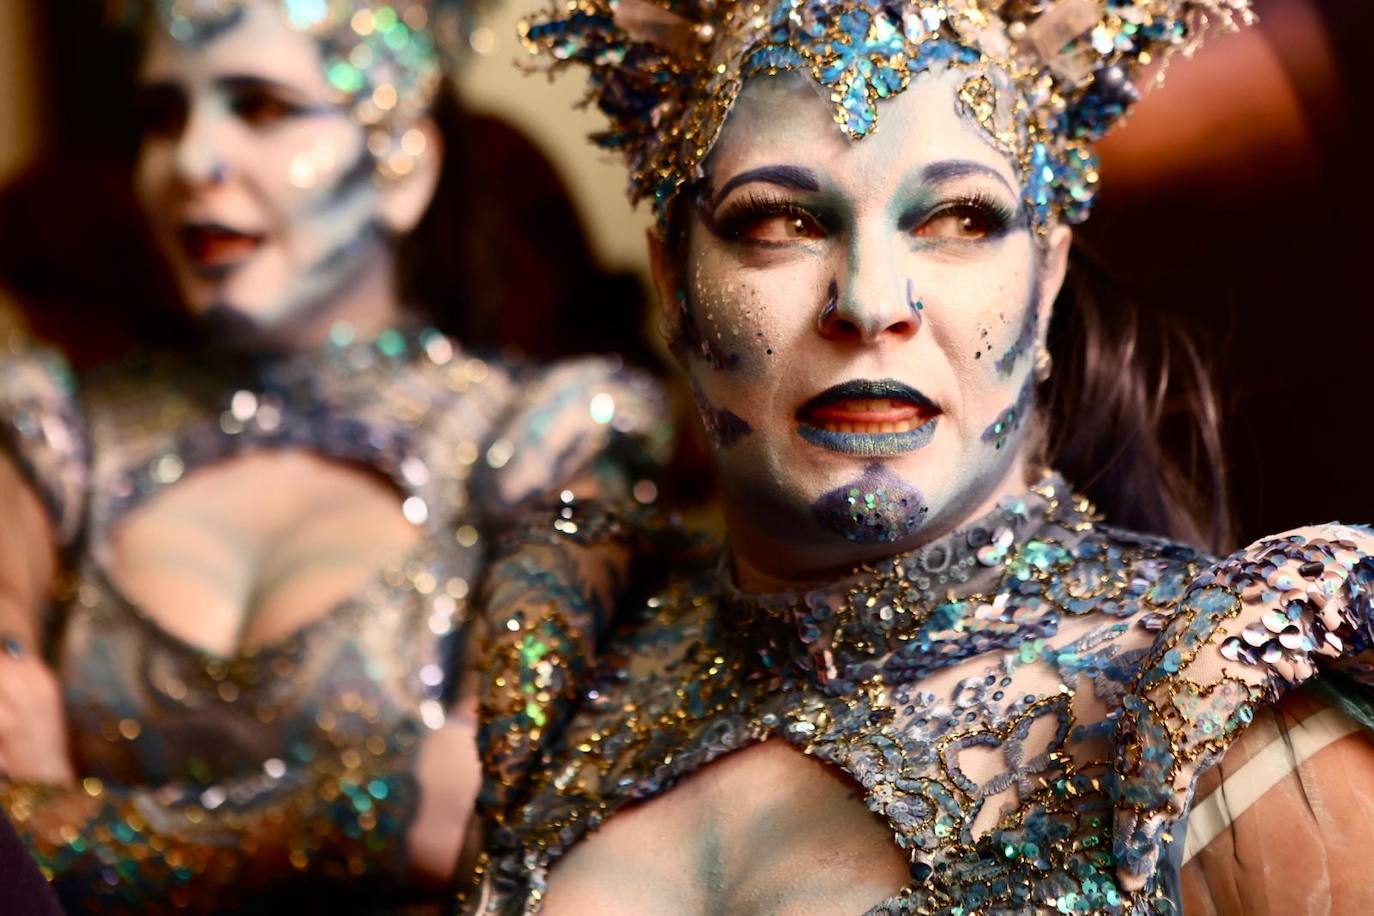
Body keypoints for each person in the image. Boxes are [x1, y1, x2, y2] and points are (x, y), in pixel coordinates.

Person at [458, 0, 1374, 911]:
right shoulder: (574, 667)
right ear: (675, 282)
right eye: (780, 220)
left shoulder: (1220, 718)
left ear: (1045, 279)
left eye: (959, 219)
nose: (869, 302)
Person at [0, 0, 667, 910]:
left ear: (404, 162)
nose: (193, 162)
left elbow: (489, 821)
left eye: (263, 107)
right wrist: (370, 817)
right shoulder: (56, 439)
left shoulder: (550, 443)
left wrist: (78, 828)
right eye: (165, 115)